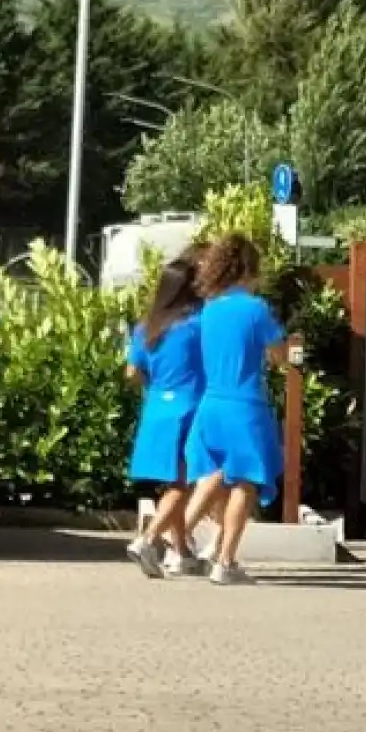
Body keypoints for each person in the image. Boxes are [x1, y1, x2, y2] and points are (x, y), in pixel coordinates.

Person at [184, 234, 286, 586]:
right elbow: (279, 355)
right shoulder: (256, 309)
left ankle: (182, 543)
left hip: (211, 404)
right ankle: (225, 560)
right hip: (245, 405)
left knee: (212, 479)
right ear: (249, 269)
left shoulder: (209, 309)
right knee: (246, 481)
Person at [123, 248, 208, 578]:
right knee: (183, 483)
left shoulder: (147, 327)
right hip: (190, 406)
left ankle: (182, 550)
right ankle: (147, 539)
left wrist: (155, 384)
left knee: (168, 482)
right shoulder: (196, 324)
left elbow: (131, 373)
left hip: (156, 406)